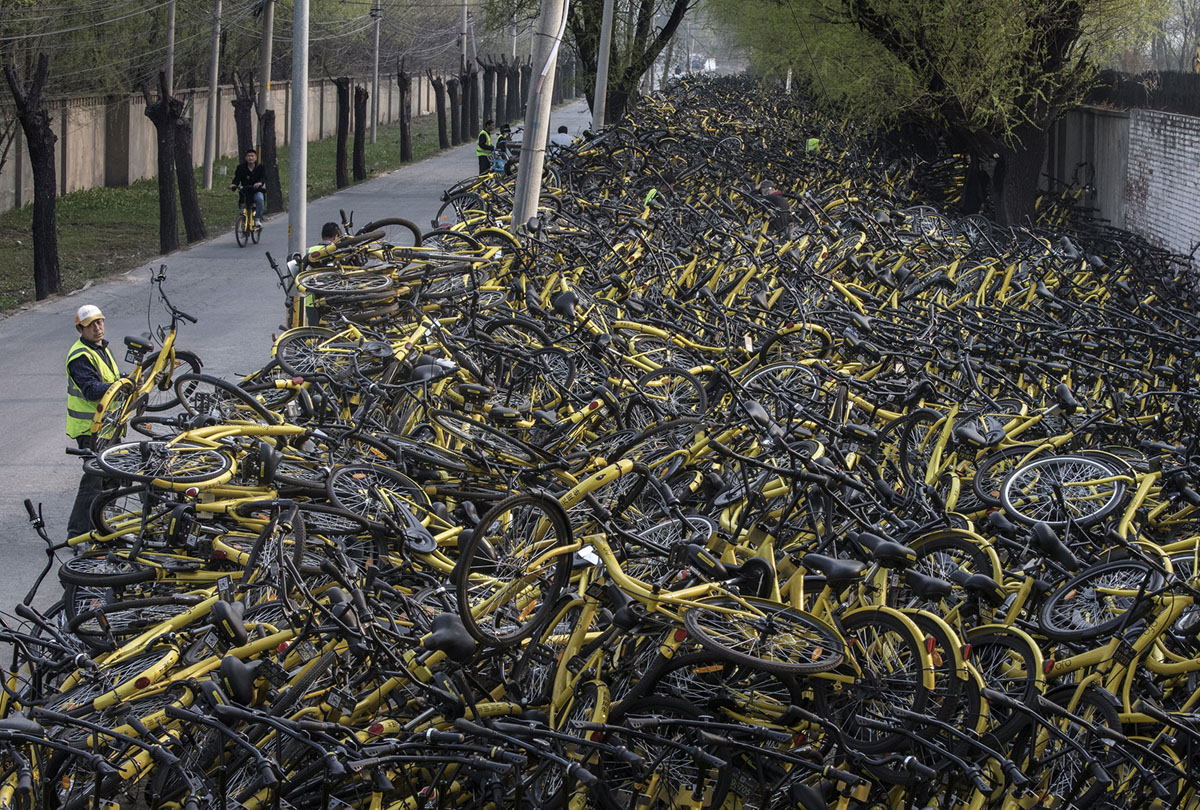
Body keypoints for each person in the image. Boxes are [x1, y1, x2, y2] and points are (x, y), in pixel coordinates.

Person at [65, 305, 121, 539]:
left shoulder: (101, 349)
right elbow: (91, 390)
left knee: (113, 476)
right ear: (80, 329)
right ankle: (78, 532)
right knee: (94, 480)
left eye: (100, 322)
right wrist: (121, 385)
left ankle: (101, 524)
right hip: (91, 429)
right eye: (91, 325)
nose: (98, 328)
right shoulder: (80, 356)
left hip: (108, 426)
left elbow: (111, 380)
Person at [229, 148, 266, 227]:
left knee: (260, 199)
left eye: (252, 156)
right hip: (245, 191)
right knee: (242, 208)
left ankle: (257, 219)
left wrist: (259, 183)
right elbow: (237, 178)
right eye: (248, 156)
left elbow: (263, 177)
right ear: (246, 158)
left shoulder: (260, 167)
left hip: (256, 190)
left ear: (255, 157)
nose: (250, 158)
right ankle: (243, 221)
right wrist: (234, 185)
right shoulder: (241, 168)